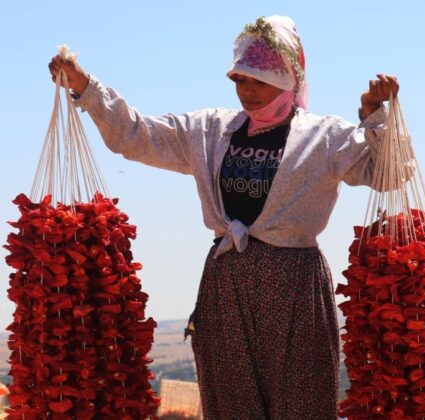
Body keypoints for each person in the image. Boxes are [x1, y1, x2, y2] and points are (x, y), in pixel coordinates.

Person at [48, 15, 400, 419]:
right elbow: (138, 135)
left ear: (288, 80)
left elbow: (388, 173)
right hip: (226, 283)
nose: (247, 92)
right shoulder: (210, 131)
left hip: (295, 287)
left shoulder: (325, 137)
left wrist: (374, 116)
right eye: (240, 80)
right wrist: (86, 87)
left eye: (259, 82)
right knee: (232, 403)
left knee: (302, 401)